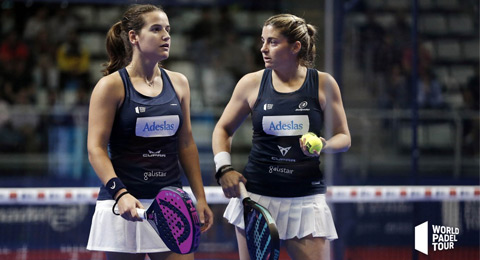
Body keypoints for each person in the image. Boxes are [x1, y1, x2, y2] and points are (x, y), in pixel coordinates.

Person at [212, 14, 351, 260]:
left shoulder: (323, 83)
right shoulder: (251, 83)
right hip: (257, 197)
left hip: (306, 199)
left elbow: (344, 137)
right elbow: (223, 129)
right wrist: (224, 168)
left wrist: (324, 144)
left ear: (295, 47)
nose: (263, 48)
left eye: (273, 42)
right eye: (263, 41)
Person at [86, 4, 213, 260]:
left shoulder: (179, 82)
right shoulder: (110, 86)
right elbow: (95, 148)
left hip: (171, 206)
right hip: (123, 203)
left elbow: (186, 144)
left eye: (167, 29)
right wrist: (120, 193)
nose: (166, 36)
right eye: (156, 29)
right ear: (133, 37)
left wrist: (200, 197)